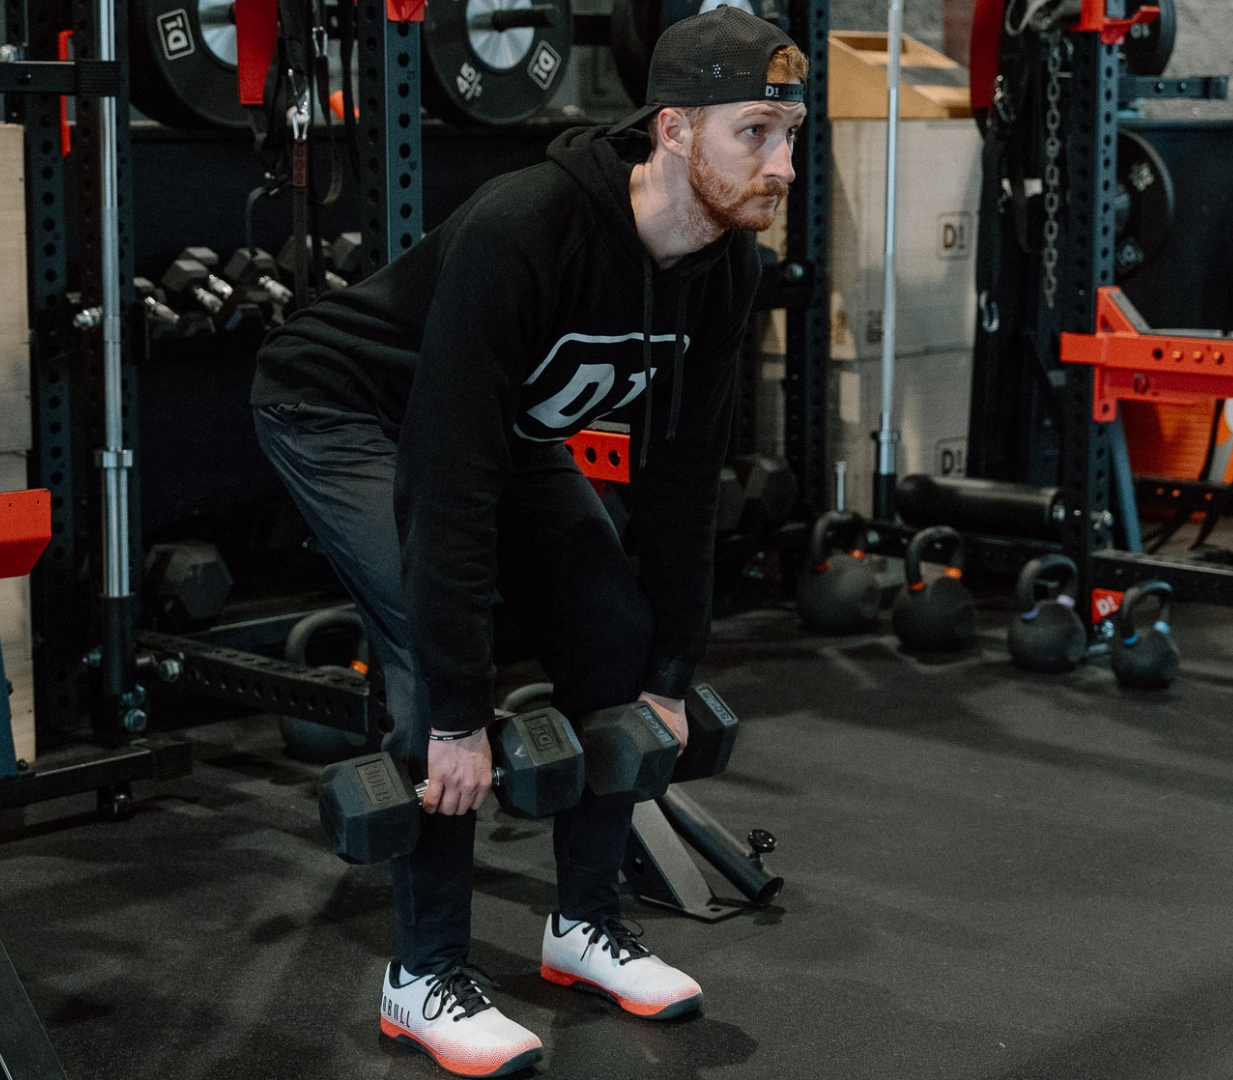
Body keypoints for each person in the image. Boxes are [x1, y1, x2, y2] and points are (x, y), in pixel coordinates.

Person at [250, 8, 807, 1075]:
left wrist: (668, 672)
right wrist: (461, 715)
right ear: (675, 130)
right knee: (428, 656)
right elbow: (449, 483)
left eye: (789, 135)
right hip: (344, 408)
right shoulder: (530, 226)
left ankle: (584, 927)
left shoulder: (725, 267)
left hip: (499, 425)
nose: (781, 165)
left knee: (613, 633)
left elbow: (684, 481)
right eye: (755, 133)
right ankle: (423, 977)